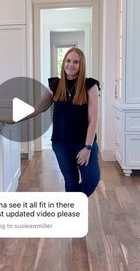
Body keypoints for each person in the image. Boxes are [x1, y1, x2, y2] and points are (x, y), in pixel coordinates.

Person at [8, 47, 100, 197]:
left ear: (81, 65)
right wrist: (14, 119)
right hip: (61, 143)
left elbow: (93, 119)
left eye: (76, 62)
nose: (71, 65)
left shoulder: (90, 86)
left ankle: (72, 207)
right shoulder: (55, 85)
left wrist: (88, 148)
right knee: (71, 181)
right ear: (64, 63)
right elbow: (37, 108)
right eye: (68, 61)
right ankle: (72, 215)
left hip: (84, 143)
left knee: (92, 180)